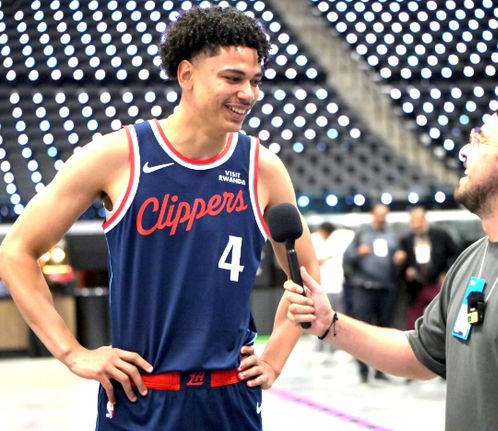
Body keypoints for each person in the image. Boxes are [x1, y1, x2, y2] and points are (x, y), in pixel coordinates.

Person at [0, 7, 319, 431]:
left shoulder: (262, 168)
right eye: (232, 78)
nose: (248, 93)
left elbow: (306, 273)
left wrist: (275, 356)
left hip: (231, 399)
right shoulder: (119, 155)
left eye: (255, 81)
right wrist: (72, 353)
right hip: (140, 399)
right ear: (186, 75)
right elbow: (16, 250)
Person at [284, 92, 498, 431]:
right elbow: (418, 354)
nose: (465, 150)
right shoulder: (472, 259)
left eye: (480, 139)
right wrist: (329, 323)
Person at [342, 204, 404, 383]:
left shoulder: (392, 235)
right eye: (378, 215)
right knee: (361, 329)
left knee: (384, 331)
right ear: (372, 215)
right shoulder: (362, 233)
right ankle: (363, 370)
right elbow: (347, 257)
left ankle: (380, 370)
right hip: (364, 288)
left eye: (384, 215)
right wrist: (358, 253)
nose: (381, 218)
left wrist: (399, 259)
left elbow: (398, 261)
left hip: (386, 288)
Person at [398, 206, 458, 330]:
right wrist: (406, 270)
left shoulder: (441, 235)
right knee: (413, 322)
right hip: (415, 288)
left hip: (437, 283)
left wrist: (446, 273)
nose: (417, 225)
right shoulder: (406, 240)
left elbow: (456, 255)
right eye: (414, 222)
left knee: (441, 317)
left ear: (425, 220)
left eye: (419, 221)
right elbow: (402, 266)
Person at [310, 222, 354, 353]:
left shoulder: (338, 239)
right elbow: (311, 261)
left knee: (336, 318)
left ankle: (336, 348)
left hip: (336, 286)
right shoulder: (313, 239)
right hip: (318, 287)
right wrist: (323, 259)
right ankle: (319, 348)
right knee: (317, 318)